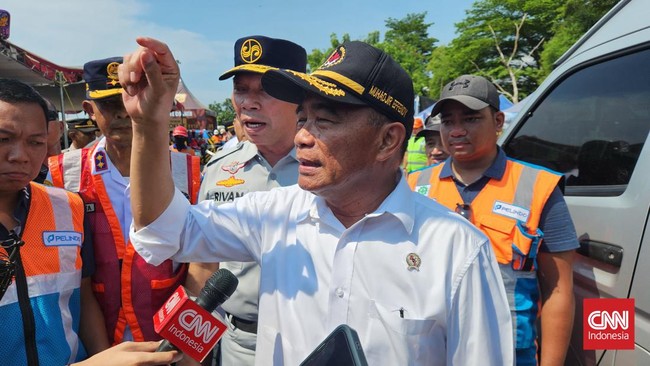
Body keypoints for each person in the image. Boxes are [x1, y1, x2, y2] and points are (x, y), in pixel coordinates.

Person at [122, 37, 514, 366]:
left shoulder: (457, 251)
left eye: (324, 121)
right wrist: (148, 123)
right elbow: (162, 231)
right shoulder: (276, 214)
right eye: (304, 119)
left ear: (389, 139)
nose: (302, 138)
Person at [0, 78, 184, 366]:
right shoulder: (66, 174)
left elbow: (82, 298)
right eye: (4, 139)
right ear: (90, 110)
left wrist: (100, 358)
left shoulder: (67, 207)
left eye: (36, 142)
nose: (20, 156)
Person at [407, 75, 578, 366]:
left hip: (509, 352)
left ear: (498, 121)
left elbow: (559, 290)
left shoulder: (538, 186)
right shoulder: (413, 186)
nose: (457, 131)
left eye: (471, 119)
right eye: (448, 121)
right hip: (429, 351)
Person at [46, 57, 202, 364]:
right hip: (92, 341)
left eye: (128, 100)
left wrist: (188, 348)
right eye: (108, 104)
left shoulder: (186, 170)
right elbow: (70, 271)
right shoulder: (64, 173)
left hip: (169, 339)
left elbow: (202, 266)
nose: (122, 112)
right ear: (90, 110)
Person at [197, 35, 307, 366]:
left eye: (265, 90)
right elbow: (203, 265)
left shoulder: (331, 169)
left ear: (300, 97)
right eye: (241, 89)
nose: (248, 103)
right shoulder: (218, 169)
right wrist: (194, 345)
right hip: (238, 345)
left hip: (312, 339)